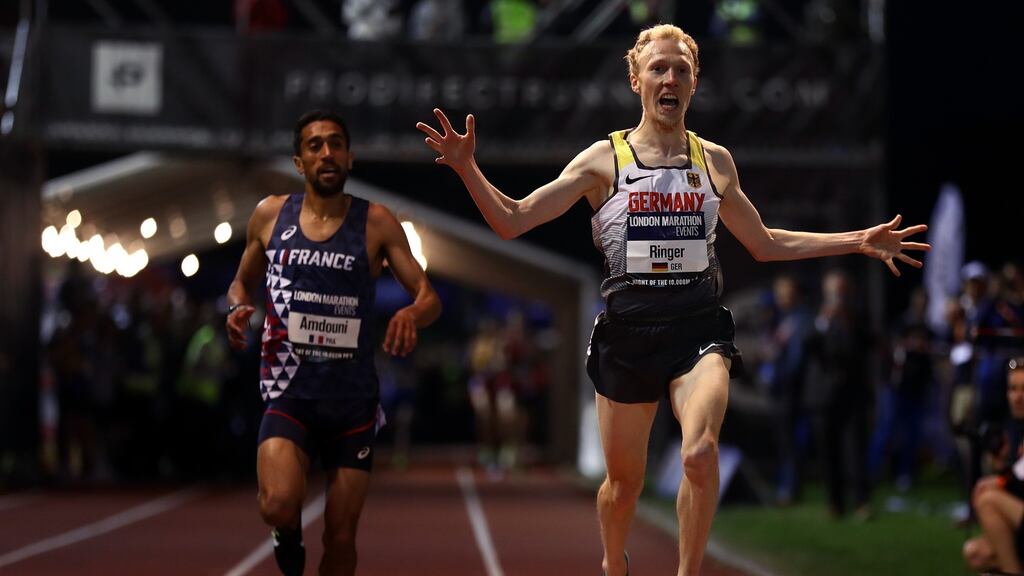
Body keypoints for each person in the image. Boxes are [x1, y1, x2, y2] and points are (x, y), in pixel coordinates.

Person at [416, 23, 929, 575]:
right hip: (627, 338)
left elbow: (764, 243)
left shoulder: (715, 162)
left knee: (699, 453)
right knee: (623, 486)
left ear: (694, 83)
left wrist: (858, 241)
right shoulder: (602, 161)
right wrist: (468, 167)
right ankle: (615, 562)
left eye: (681, 69)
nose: (670, 78)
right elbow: (513, 221)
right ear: (636, 79)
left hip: (697, 330)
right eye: (658, 68)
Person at [226, 109, 441, 576]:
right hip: (289, 395)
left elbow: (429, 298)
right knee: (278, 504)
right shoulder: (269, 215)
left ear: (350, 157)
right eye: (315, 145)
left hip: (351, 404)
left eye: (336, 144)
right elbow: (241, 283)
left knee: (340, 537)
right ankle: (286, 533)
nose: (327, 152)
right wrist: (237, 307)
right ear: (299, 161)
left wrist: (409, 311)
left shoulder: (376, 222)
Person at [963, 358, 1024, 574]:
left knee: (988, 500)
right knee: (976, 552)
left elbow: (1016, 485)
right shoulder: (1018, 430)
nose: (1017, 397)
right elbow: (1017, 481)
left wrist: (998, 479)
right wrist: (1000, 470)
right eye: (1013, 389)